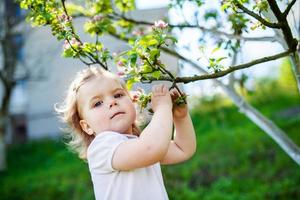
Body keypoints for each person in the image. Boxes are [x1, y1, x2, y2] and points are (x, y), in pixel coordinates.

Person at [55, 66, 196, 200]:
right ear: (87, 127)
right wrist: (162, 108)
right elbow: (150, 149)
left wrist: (180, 118)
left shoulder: (140, 142)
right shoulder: (102, 147)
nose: (112, 102)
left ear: (132, 101)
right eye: (97, 103)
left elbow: (183, 149)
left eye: (118, 95)